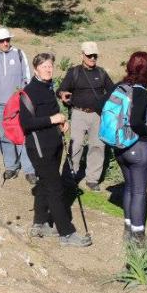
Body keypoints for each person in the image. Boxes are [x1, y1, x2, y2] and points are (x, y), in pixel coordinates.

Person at [20, 53, 91, 247]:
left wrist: (62, 123)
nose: (48, 69)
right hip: (39, 147)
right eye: (44, 67)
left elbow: (50, 113)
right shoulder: (29, 91)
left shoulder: (48, 87)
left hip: (53, 143)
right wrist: (53, 120)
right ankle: (66, 234)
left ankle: (40, 223)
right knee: (55, 187)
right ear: (35, 69)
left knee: (44, 184)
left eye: (50, 66)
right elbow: (26, 123)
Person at [56, 41, 115, 191]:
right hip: (78, 113)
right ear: (82, 55)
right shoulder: (74, 72)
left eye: (95, 55)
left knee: (98, 146)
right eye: (89, 55)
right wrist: (63, 94)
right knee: (75, 145)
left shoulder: (101, 73)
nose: (93, 58)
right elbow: (61, 89)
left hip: (97, 115)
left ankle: (92, 179)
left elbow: (113, 91)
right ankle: (70, 177)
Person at [0, 28, 35, 183]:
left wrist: (23, 97)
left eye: (7, 40)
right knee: (4, 136)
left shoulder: (19, 54)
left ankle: (29, 169)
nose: (5, 43)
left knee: (22, 134)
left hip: (18, 104)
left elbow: (27, 77)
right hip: (0, 105)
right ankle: (11, 166)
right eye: (1, 41)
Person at [114, 51, 147, 245]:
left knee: (129, 187)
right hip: (138, 147)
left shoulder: (119, 88)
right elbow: (136, 122)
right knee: (139, 191)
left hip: (120, 146)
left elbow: (101, 106)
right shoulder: (140, 92)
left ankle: (128, 228)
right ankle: (138, 236)